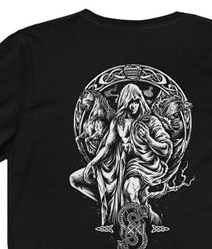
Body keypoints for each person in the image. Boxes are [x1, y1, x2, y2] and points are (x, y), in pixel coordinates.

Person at [70, 83, 173, 225]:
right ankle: (108, 204)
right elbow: (107, 147)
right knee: (75, 179)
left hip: (144, 165)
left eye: (136, 101)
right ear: (124, 102)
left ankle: (139, 227)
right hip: (119, 166)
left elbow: (166, 149)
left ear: (141, 101)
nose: (133, 105)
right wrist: (93, 163)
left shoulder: (151, 121)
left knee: (130, 189)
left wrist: (149, 139)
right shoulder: (117, 122)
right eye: (130, 102)